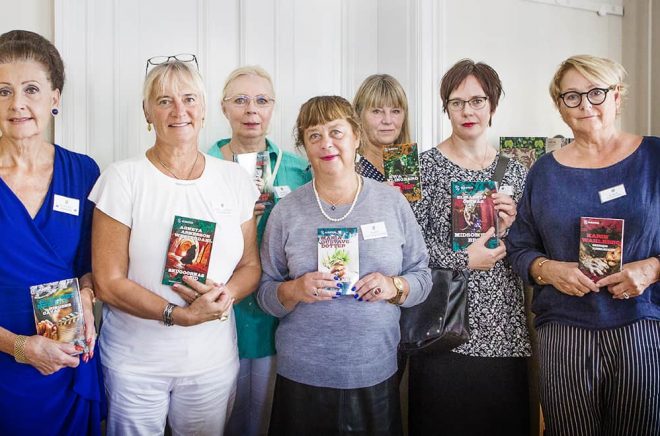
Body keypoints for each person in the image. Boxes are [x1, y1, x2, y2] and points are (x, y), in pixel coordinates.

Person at [90, 56, 261, 435]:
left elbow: (250, 266)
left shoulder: (234, 180)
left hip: (211, 363)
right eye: (164, 100)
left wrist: (224, 295)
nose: (178, 110)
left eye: (188, 99)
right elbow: (107, 281)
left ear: (203, 110)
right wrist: (176, 314)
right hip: (135, 366)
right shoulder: (123, 179)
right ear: (147, 112)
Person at [257, 95, 431, 435]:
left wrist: (394, 286)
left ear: (355, 137)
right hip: (303, 374)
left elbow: (422, 277)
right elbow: (265, 293)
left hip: (374, 371)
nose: (327, 144)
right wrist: (295, 289)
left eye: (336, 132)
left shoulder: (392, 202)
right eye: (314, 136)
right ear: (305, 147)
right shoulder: (286, 211)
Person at [506, 54, 660, 435]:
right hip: (564, 329)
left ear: (617, 96)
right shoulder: (544, 171)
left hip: (639, 323)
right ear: (560, 107)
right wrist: (547, 270)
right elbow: (519, 247)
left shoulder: (654, 158)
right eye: (571, 97)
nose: (585, 105)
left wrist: (653, 267)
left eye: (596, 92)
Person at [409, 59, 531, 435]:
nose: (467, 111)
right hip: (443, 328)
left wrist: (510, 230)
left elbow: (528, 248)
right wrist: (464, 259)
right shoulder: (421, 167)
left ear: (492, 106)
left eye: (477, 101)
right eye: (457, 101)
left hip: (503, 329)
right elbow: (407, 252)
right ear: (445, 107)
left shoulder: (515, 171)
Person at [0, 29, 104, 435]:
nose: (17, 104)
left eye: (31, 89)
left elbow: (89, 265)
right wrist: (21, 348)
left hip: (67, 354)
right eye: (3, 91)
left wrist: (87, 296)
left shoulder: (83, 172)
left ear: (55, 98)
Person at [207, 65, 311, 436]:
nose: (252, 109)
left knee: (263, 417)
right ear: (223, 108)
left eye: (262, 101)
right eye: (241, 100)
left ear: (272, 108)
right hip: (217, 310)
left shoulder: (299, 170)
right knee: (217, 418)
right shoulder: (201, 166)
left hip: (278, 312)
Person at [353, 74, 411, 181]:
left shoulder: (407, 164)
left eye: (395, 111)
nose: (387, 121)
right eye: (377, 111)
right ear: (359, 114)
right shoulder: (349, 168)